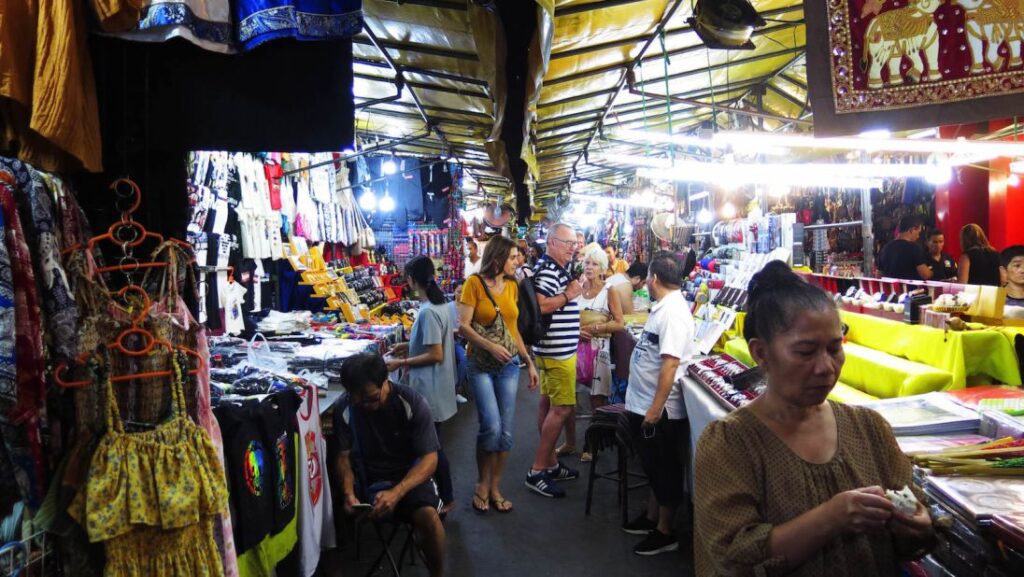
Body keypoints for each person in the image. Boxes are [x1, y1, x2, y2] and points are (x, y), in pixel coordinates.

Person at [694, 262, 934, 576]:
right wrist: (831, 518)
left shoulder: (868, 428)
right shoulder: (730, 443)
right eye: (806, 352)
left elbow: (913, 520)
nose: (826, 367)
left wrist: (916, 524)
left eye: (835, 348)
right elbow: (733, 556)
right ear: (761, 353)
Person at [332, 353, 446, 577]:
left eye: (371, 397)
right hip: (368, 479)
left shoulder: (412, 403)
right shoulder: (344, 407)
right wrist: (348, 492)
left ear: (386, 381)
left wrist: (397, 492)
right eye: (357, 399)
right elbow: (343, 456)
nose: (365, 404)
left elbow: (430, 459)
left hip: (408, 478)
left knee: (429, 518)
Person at [621, 251, 696, 556]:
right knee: (653, 465)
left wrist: (655, 408)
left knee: (664, 468)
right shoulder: (664, 307)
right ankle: (653, 518)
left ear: (653, 279)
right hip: (644, 403)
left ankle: (666, 531)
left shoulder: (674, 313)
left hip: (659, 409)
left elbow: (670, 364)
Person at [458, 237, 540, 513]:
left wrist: (528, 361)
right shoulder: (474, 284)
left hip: (508, 365)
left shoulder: (513, 286)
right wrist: (490, 347)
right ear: (498, 258)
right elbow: (463, 327)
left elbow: (512, 329)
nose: (518, 261)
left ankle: (495, 486)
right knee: (490, 425)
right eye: (513, 257)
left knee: (505, 430)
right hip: (480, 363)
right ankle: (482, 482)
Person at [386, 256, 458, 514]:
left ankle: (445, 497)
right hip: (439, 387)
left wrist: (400, 362)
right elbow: (432, 343)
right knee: (432, 445)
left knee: (432, 449)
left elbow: (435, 354)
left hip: (430, 390)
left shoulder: (428, 311)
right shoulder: (441, 305)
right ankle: (440, 494)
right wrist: (407, 345)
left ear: (412, 279)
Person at [525, 223, 584, 498]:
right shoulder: (548, 269)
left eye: (574, 242)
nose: (573, 247)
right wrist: (568, 295)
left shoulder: (551, 267)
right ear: (551, 242)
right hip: (557, 352)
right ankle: (537, 469)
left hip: (553, 350)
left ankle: (550, 462)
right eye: (567, 242)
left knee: (548, 403)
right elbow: (542, 305)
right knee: (560, 408)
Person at [574, 245, 625, 462]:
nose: (590, 267)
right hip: (577, 348)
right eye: (587, 262)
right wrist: (576, 331)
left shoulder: (609, 290)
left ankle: (593, 443)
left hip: (599, 350)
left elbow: (619, 323)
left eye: (594, 263)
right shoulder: (577, 288)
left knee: (597, 397)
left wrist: (596, 329)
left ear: (602, 267)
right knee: (575, 397)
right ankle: (574, 441)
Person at [877, 215, 932, 280]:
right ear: (912, 230)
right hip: (909, 289)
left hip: (890, 289)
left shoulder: (885, 248)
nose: (918, 236)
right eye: (918, 232)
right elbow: (925, 275)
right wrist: (932, 272)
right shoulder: (914, 248)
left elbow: (879, 275)